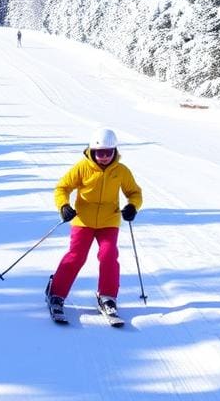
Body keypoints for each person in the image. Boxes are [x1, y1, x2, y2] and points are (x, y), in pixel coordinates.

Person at [46, 128, 142, 323]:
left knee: (108, 255)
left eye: (108, 152)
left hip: (109, 221)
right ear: (92, 151)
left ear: (115, 151)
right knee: (77, 256)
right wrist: (64, 206)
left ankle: (107, 297)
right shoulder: (82, 167)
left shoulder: (121, 171)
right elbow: (62, 188)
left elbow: (134, 193)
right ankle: (56, 293)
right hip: (84, 220)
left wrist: (133, 206)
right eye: (100, 153)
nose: (104, 157)